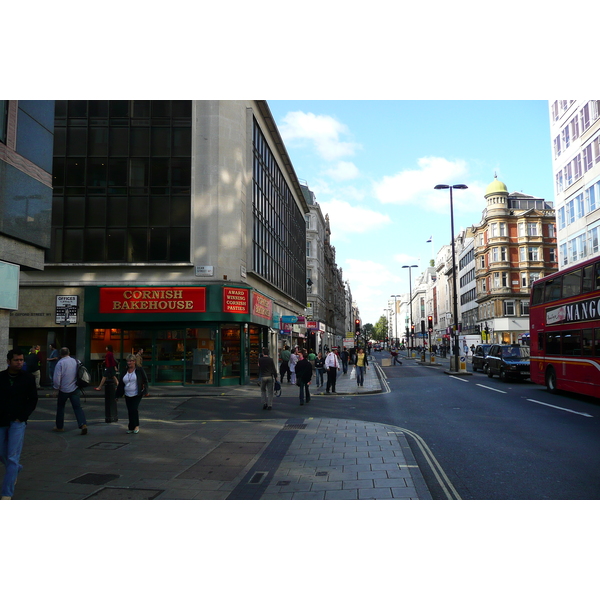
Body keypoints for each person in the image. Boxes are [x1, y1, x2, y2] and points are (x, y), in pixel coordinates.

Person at [0, 350, 38, 500]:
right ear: (9, 361)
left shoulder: (28, 378)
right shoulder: (1, 377)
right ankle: (15, 469)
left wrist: (22, 417)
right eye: (16, 360)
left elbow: (33, 399)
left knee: (12, 457)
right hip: (1, 420)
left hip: (18, 421)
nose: (20, 363)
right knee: (3, 454)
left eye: (21, 360)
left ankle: (6, 493)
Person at [53, 347, 88, 435]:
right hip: (75, 388)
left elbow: (57, 378)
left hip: (63, 389)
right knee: (77, 407)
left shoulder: (60, 363)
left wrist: (56, 389)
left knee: (60, 407)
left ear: (60, 354)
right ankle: (83, 424)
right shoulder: (76, 361)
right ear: (69, 353)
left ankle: (59, 427)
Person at [115, 354, 149, 434]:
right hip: (127, 394)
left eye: (130, 361)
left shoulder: (139, 370)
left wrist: (146, 391)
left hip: (137, 393)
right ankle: (131, 427)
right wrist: (117, 395)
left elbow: (145, 380)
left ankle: (136, 425)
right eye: (128, 361)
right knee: (130, 410)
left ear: (134, 361)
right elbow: (121, 384)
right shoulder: (124, 371)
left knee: (134, 409)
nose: (129, 363)